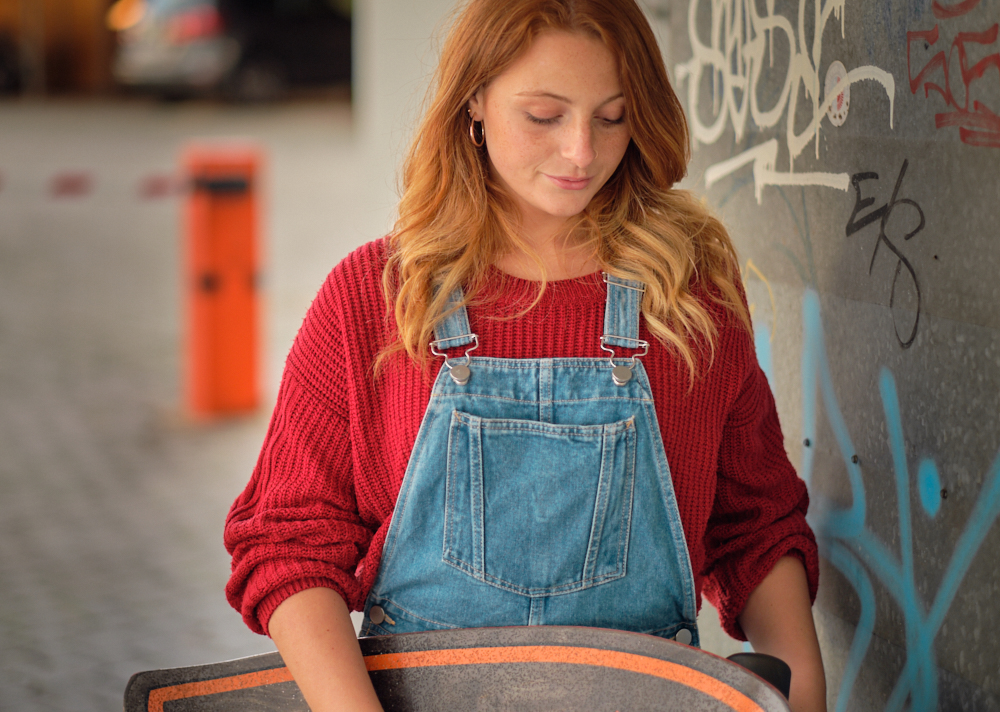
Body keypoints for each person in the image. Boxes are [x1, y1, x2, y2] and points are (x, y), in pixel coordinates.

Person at [224, 1, 827, 710]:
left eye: (612, 116)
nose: (581, 151)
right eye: (544, 115)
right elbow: (289, 545)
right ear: (473, 101)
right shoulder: (373, 299)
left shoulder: (690, 296)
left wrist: (802, 686)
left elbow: (755, 524)